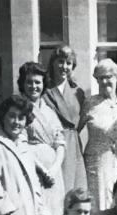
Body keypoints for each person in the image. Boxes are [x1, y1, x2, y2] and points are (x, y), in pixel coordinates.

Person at [79, 59, 117, 211]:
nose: (104, 81)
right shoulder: (90, 103)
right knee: (100, 205)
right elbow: (74, 131)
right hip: (97, 164)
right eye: (100, 78)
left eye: (108, 77)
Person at [18, 62, 65, 215]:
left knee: (55, 214)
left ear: (43, 84)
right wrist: (43, 171)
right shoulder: (20, 110)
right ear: (22, 84)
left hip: (53, 171)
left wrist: (54, 169)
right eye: (29, 82)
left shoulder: (49, 111)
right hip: (32, 168)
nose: (33, 86)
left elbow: (60, 143)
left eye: (37, 82)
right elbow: (21, 144)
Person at [43, 44, 87, 192]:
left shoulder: (78, 92)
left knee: (75, 189)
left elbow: (82, 119)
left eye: (68, 63)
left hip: (73, 144)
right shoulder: (45, 90)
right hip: (53, 143)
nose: (64, 67)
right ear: (53, 63)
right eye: (60, 62)